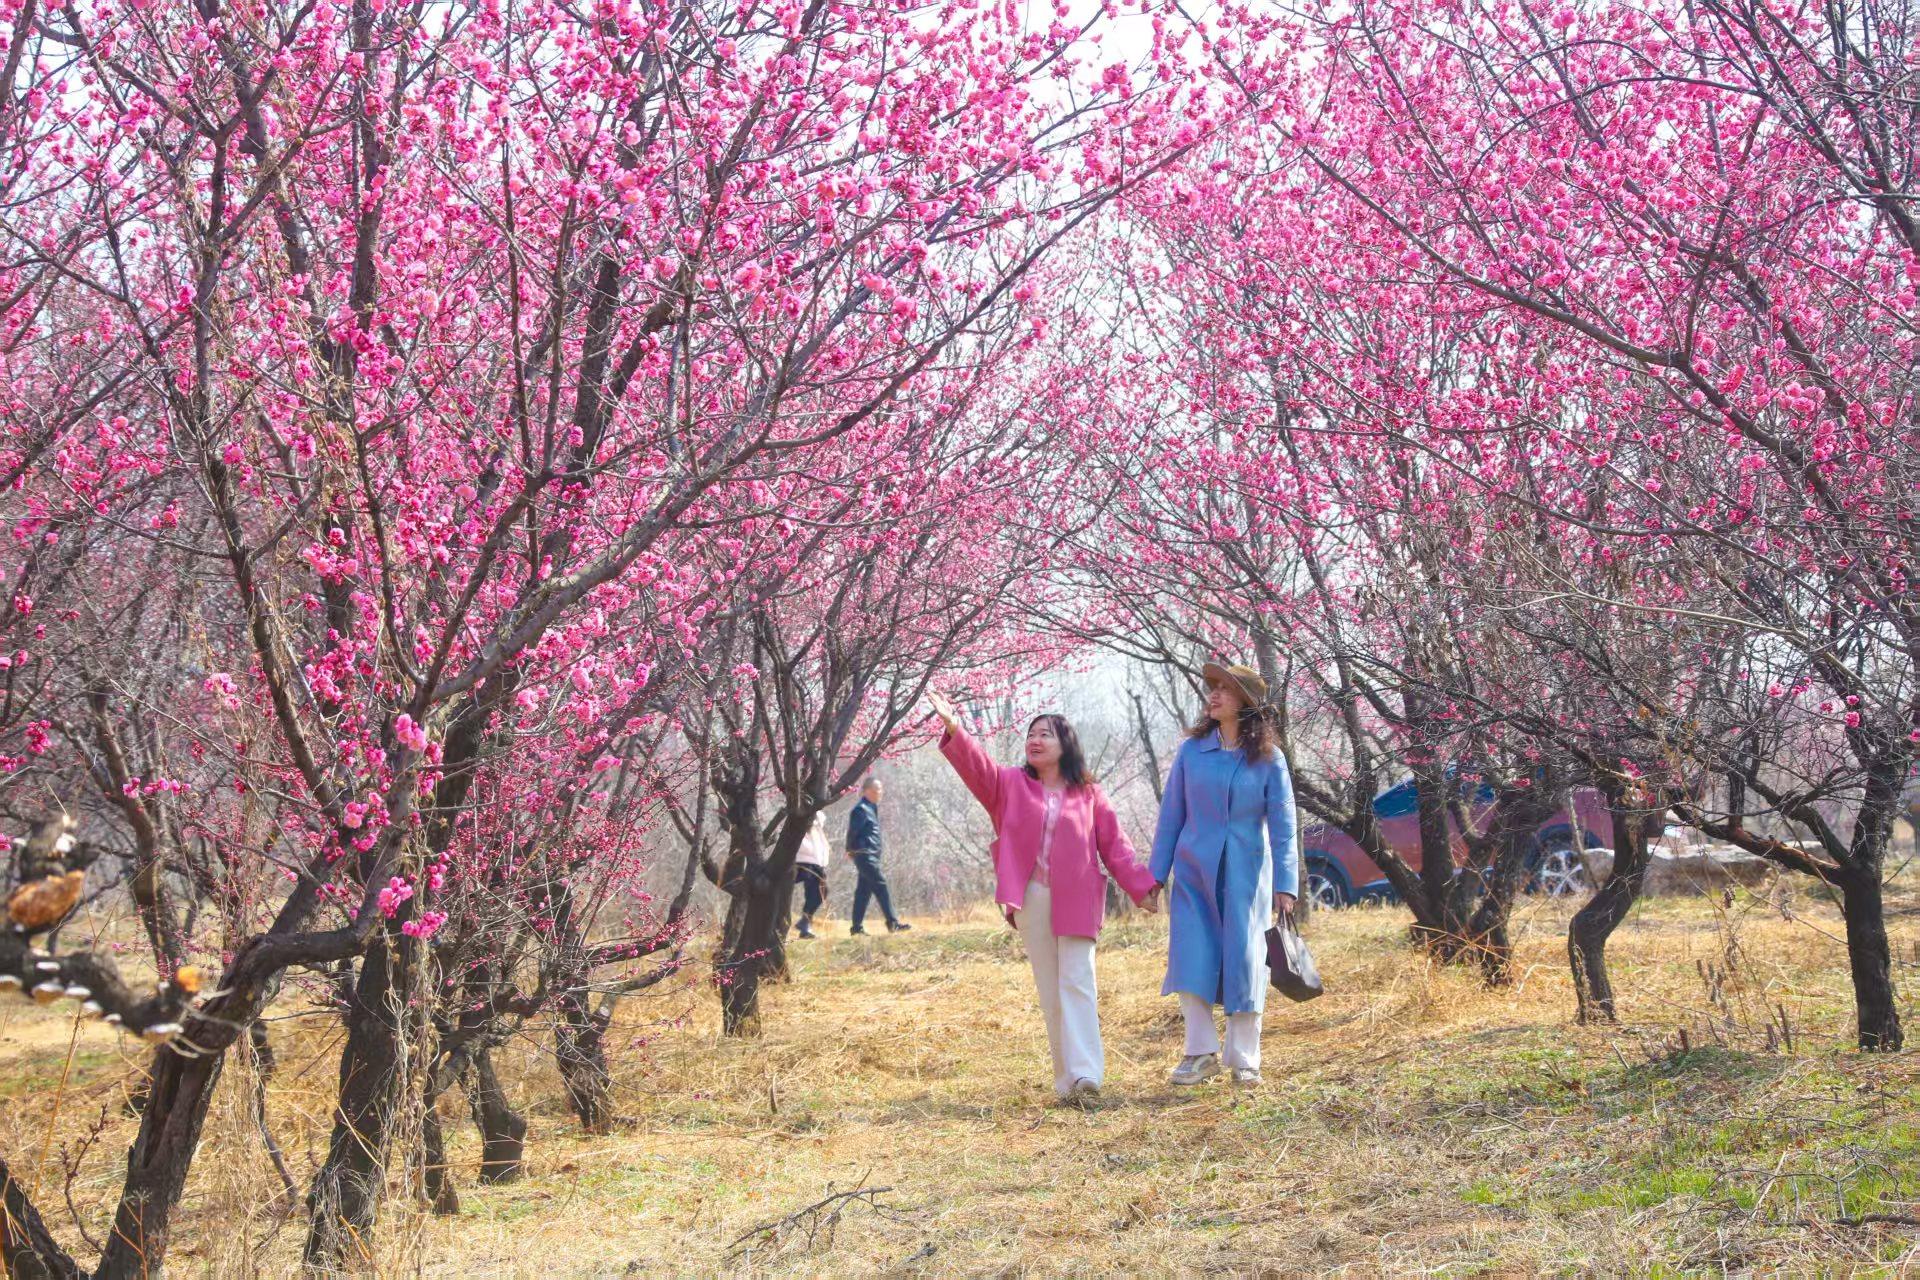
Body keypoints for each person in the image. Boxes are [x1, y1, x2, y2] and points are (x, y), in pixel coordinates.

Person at [929, 693, 1159, 1104]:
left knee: (1079, 980)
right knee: (1051, 990)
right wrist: (955, 728)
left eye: (1045, 734)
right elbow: (977, 768)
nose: (1034, 740)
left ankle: (1087, 1074)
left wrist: (1140, 887)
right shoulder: (1009, 785)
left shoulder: (1089, 793)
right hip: (1032, 897)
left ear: (1065, 744)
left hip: (1079, 895)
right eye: (1031, 734)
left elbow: (1116, 847)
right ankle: (1066, 1081)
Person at [1148, 660, 1300, 1087]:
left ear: (1246, 702)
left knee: (1246, 961)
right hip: (1193, 872)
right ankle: (1199, 1053)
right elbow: (1171, 817)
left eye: (1225, 689)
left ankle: (1245, 1058)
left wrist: (1286, 885)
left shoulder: (1269, 758)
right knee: (1190, 957)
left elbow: (1285, 827)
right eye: (1212, 687)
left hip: (1247, 876)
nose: (1213, 695)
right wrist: (1155, 877)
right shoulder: (1191, 752)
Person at [846, 777, 911, 935]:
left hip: (871, 855)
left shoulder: (871, 807)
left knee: (863, 891)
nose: (880, 793)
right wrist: (850, 849)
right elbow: (852, 832)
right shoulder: (860, 809)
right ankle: (892, 923)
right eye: (877, 790)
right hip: (865, 854)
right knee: (881, 885)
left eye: (880, 790)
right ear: (867, 791)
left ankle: (856, 928)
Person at [792, 814, 831, 939]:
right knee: (818, 891)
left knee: (820, 892)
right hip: (804, 862)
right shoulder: (804, 821)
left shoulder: (817, 827)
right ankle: (804, 923)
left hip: (814, 862)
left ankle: (805, 923)